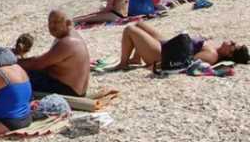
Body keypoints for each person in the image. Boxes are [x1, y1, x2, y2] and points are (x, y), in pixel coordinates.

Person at [113, 22, 249, 71]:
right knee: (139, 24)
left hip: (162, 54)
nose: (231, 41)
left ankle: (123, 63)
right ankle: (136, 58)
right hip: (169, 45)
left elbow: (186, 62)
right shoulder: (214, 49)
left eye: (233, 45)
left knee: (130, 29)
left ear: (229, 54)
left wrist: (157, 66)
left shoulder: (212, 55)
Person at [18, 10, 90, 97]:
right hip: (74, 89)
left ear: (68, 23)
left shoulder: (68, 42)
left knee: (17, 75)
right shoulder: (71, 37)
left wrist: (13, 61)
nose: (51, 26)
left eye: (56, 22)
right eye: (50, 22)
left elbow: (37, 63)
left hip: (68, 91)